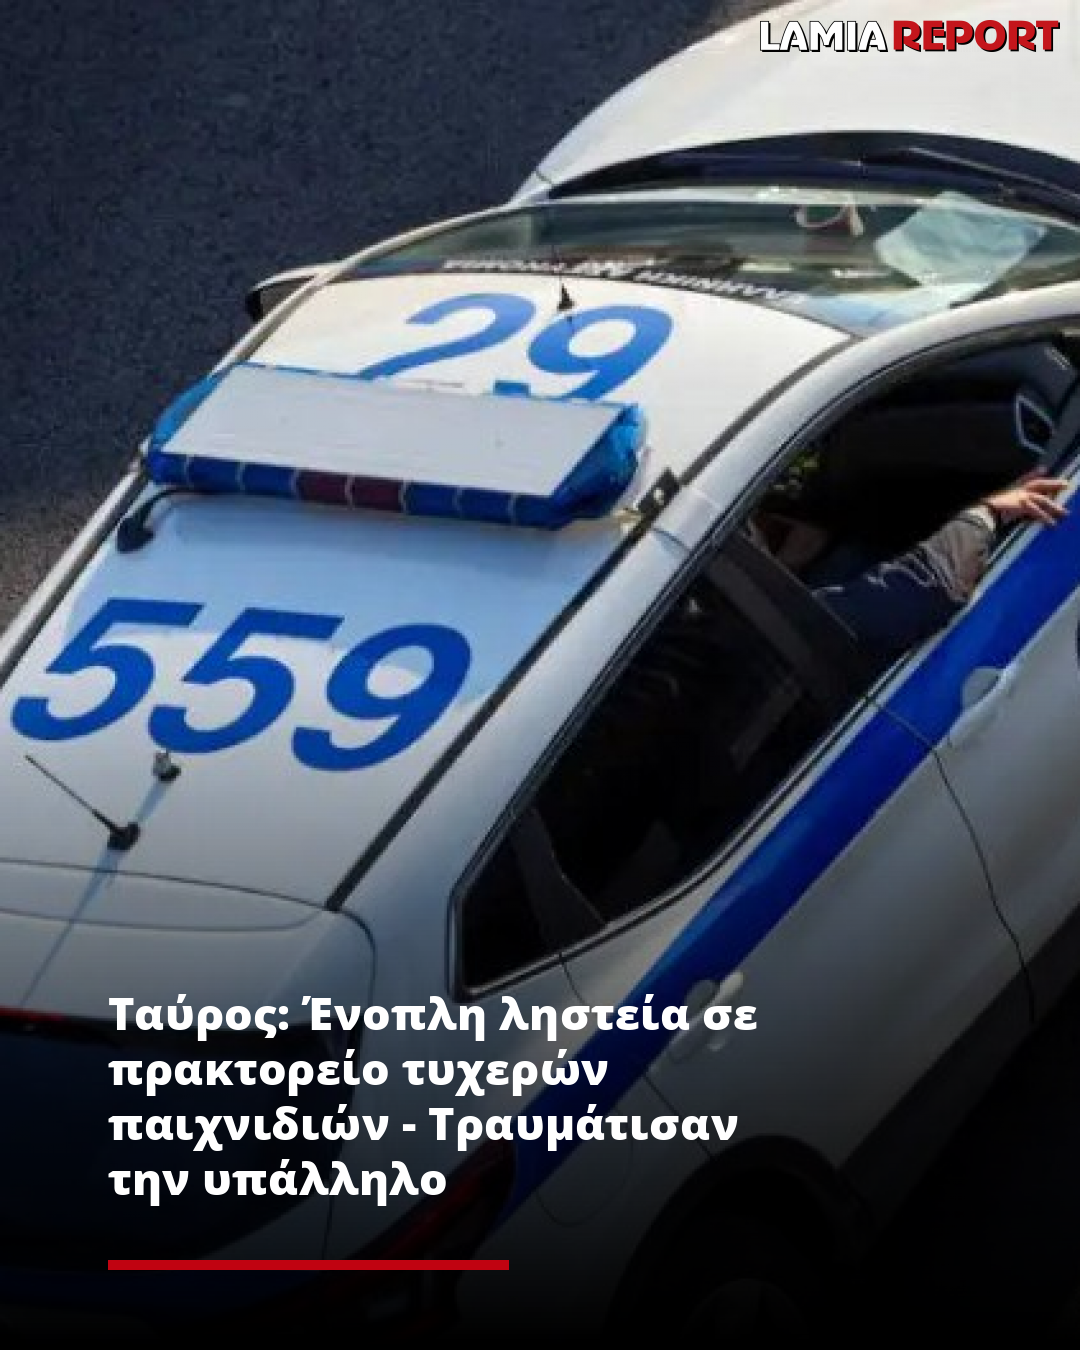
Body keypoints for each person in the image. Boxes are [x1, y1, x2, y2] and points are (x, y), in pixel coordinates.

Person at [753, 475, 1071, 666]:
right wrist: (989, 512)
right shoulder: (768, 628)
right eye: (765, 534)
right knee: (852, 555)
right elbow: (925, 588)